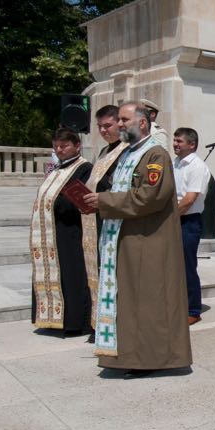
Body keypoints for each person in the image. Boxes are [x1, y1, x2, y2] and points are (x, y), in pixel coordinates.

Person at [82, 102, 192, 376]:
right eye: (118, 120)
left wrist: (103, 201)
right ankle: (130, 355)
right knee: (131, 302)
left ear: (142, 123)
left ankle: (149, 359)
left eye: (124, 119)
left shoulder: (154, 155)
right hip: (128, 236)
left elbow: (149, 197)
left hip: (148, 240)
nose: (119, 124)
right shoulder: (129, 153)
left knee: (147, 302)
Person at [30, 127, 93, 335]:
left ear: (77, 146)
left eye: (64, 145)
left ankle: (74, 322)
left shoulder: (84, 168)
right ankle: (49, 319)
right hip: (50, 232)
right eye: (56, 146)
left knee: (71, 275)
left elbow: (78, 198)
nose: (59, 149)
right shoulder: (56, 168)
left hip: (70, 231)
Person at [81, 105, 128, 342]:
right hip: (96, 219)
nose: (103, 130)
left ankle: (113, 324)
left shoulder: (126, 151)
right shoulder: (103, 152)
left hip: (115, 221)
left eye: (107, 126)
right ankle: (99, 320)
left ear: (120, 124)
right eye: (99, 126)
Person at [173, 127, 211, 326]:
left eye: (179, 141)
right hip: (174, 219)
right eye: (175, 140)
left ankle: (193, 310)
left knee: (187, 267)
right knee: (173, 266)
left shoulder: (197, 166)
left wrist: (169, 218)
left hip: (188, 221)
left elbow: (189, 199)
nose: (175, 144)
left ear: (192, 144)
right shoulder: (175, 163)